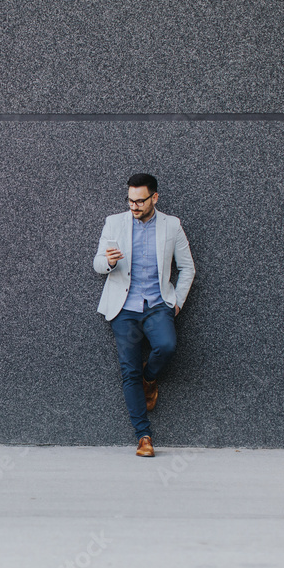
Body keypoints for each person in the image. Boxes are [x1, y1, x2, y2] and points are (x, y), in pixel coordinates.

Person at [93, 173, 195, 457]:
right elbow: (97, 263)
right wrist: (109, 262)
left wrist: (177, 303)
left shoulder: (171, 225)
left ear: (154, 198)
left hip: (158, 304)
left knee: (167, 346)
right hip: (123, 308)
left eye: (140, 201)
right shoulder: (114, 222)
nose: (134, 206)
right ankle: (143, 436)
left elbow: (187, 268)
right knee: (129, 371)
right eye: (130, 200)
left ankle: (149, 378)